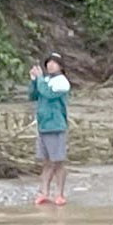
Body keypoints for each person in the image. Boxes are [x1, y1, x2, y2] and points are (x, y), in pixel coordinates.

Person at [27, 55, 71, 206]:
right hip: (43, 126)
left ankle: (59, 194)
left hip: (56, 126)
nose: (51, 66)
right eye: (49, 63)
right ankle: (44, 192)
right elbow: (34, 95)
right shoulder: (45, 81)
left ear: (61, 66)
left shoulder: (62, 82)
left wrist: (39, 79)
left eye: (54, 63)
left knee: (58, 162)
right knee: (46, 162)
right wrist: (34, 80)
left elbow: (48, 94)